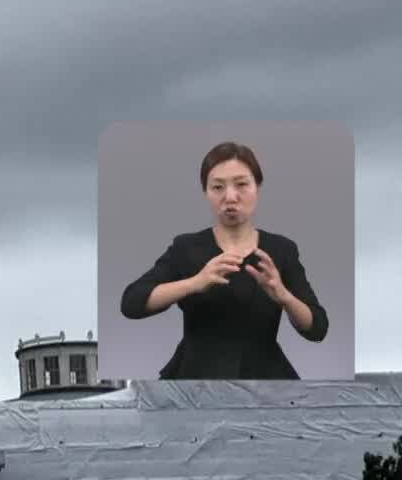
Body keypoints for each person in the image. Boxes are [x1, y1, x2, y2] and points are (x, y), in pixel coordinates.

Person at [118, 141, 328, 378]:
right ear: (206, 193)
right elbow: (131, 303)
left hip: (265, 384)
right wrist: (195, 283)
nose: (230, 197)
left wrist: (284, 296)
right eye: (217, 187)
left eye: (241, 185)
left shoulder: (281, 250)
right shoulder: (186, 248)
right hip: (194, 382)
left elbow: (318, 328)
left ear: (257, 187)